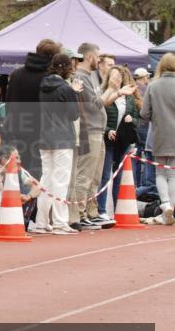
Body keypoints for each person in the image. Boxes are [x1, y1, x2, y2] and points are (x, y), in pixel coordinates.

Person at [33, 53, 83, 235]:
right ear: (66, 69)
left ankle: (41, 221)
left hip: (45, 137)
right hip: (62, 137)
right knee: (60, 180)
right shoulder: (66, 89)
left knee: (46, 179)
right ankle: (60, 222)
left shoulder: (43, 86)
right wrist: (75, 93)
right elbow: (74, 115)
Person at [2, 39, 61, 176]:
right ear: (53, 58)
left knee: (17, 174)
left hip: (16, 132)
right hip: (41, 135)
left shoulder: (16, 75)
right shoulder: (50, 78)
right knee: (38, 176)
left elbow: (8, 104)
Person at [72, 43, 108, 230]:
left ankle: (91, 211)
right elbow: (93, 105)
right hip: (89, 130)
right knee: (85, 174)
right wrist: (113, 90)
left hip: (98, 130)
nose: (99, 59)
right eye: (97, 55)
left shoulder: (92, 76)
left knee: (95, 176)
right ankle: (79, 212)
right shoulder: (80, 77)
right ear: (88, 57)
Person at [99, 65, 140, 216]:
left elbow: (137, 117)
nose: (117, 79)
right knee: (104, 176)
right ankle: (101, 210)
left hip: (123, 141)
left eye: (119, 76)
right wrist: (107, 130)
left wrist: (132, 120)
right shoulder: (103, 94)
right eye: (114, 76)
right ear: (108, 78)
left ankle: (119, 209)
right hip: (107, 141)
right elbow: (97, 117)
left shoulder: (128, 96)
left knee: (120, 176)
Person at [141, 53, 175, 226]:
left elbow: (144, 114)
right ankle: (171, 208)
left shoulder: (153, 86)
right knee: (173, 173)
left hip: (159, 134)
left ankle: (166, 205)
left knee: (160, 172)